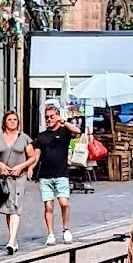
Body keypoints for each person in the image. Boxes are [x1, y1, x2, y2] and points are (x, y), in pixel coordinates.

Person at [0, 108, 35, 255]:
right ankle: (13, 240)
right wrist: (0, 165)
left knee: (16, 207)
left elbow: (32, 157)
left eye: (15, 120)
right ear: (5, 122)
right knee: (8, 210)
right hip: (4, 178)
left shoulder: (24, 138)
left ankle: (11, 241)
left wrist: (22, 167)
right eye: (10, 120)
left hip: (19, 177)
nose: (13, 122)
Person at [32, 100, 77, 242]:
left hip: (61, 174)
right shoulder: (42, 136)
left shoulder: (64, 132)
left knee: (64, 202)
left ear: (57, 116)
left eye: (52, 116)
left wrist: (63, 121)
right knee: (48, 205)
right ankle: (50, 234)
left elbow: (77, 131)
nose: (49, 120)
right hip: (45, 175)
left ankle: (66, 229)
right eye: (47, 117)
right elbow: (36, 155)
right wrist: (30, 168)